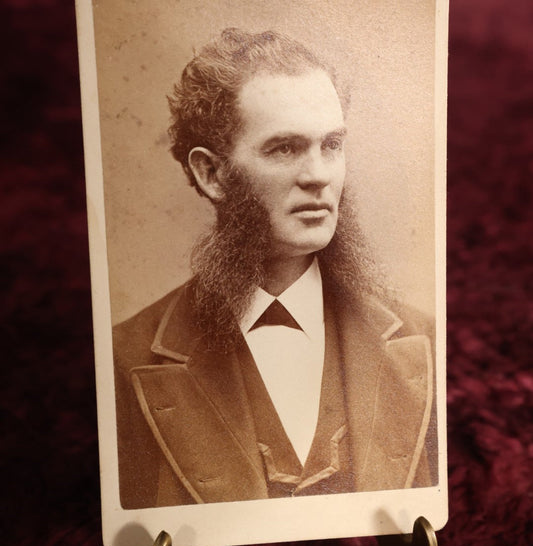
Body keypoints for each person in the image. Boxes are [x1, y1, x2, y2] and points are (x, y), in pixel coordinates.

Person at [113, 28, 436, 509]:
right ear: (212, 174)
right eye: (284, 148)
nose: (319, 175)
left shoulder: (424, 340)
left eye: (331, 145)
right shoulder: (125, 358)